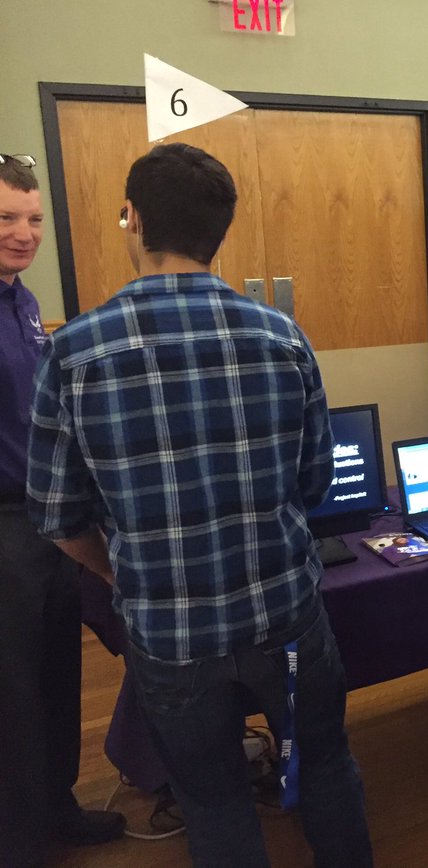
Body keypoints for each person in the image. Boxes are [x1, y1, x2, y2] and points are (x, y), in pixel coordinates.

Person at [25, 143, 373, 868]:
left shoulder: (74, 352)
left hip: (170, 634)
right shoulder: (284, 337)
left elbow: (57, 517)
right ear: (220, 231)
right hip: (288, 617)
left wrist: (130, 573)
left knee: (214, 801)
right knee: (329, 765)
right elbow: (314, 485)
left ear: (134, 220)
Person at [0, 153, 126, 868]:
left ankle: (57, 806)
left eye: (34, 219)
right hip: (4, 526)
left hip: (46, 517)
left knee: (55, 672)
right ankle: (18, 839)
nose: (24, 233)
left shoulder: (21, 299)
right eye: (7, 219)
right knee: (11, 690)